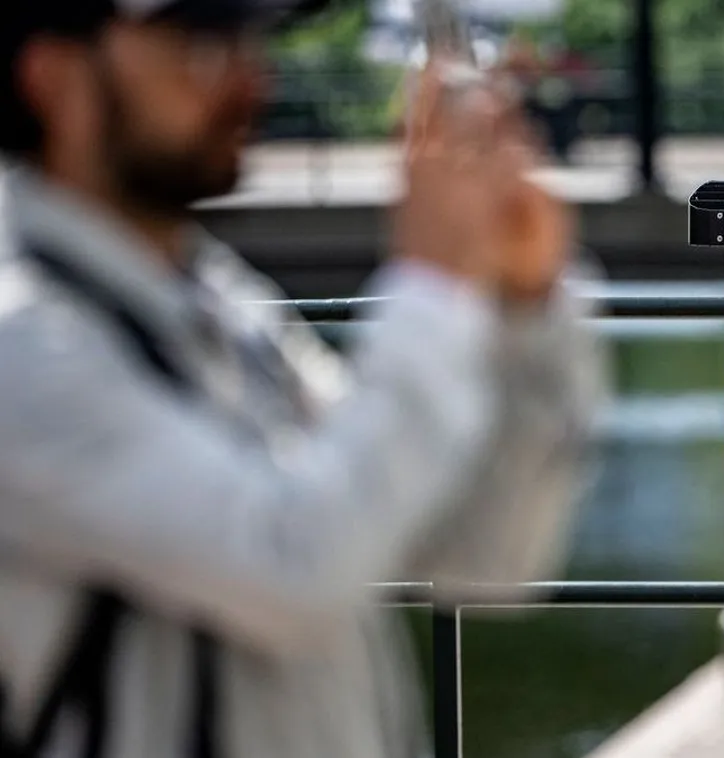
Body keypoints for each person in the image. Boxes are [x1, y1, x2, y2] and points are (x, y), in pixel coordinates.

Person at [0, 1, 608, 758]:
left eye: (249, 41)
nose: (250, 79)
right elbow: (295, 563)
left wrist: (525, 306)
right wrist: (431, 283)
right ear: (53, 79)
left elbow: (480, 556)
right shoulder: (23, 347)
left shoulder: (217, 301)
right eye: (200, 44)